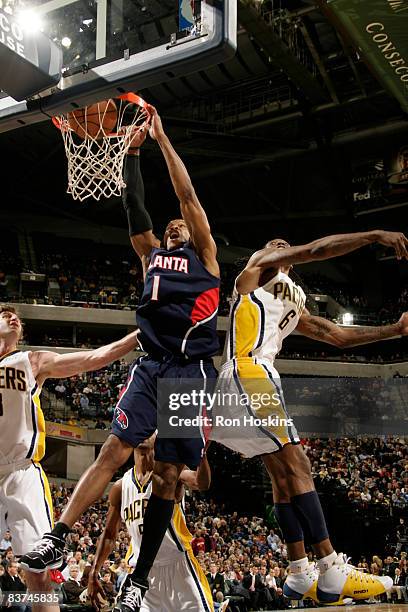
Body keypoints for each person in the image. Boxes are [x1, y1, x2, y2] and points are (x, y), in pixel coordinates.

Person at [21, 106, 220, 612]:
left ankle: (138, 580)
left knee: (171, 477)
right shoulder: (150, 253)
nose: (173, 226)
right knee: (112, 450)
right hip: (152, 366)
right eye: (169, 226)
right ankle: (59, 534)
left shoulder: (207, 258)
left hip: (188, 373)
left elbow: (187, 196)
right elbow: (135, 205)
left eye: (180, 226)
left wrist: (162, 138)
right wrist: (131, 152)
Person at [212, 230, 408, 604]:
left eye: (285, 244)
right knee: (298, 462)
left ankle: (299, 570)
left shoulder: (292, 298)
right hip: (249, 370)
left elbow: (335, 334)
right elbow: (317, 249)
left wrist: (395, 330)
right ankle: (331, 566)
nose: (279, 244)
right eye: (274, 242)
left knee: (282, 477)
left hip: (254, 376)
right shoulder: (256, 269)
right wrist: (373, 236)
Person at [0, 305, 138, 612]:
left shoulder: (30, 361)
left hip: (19, 473)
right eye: (5, 314)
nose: (13, 318)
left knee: (37, 573)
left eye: (17, 318)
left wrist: (139, 334)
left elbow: (95, 358)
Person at [87, 435, 214, 611]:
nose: (145, 433)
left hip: (178, 568)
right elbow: (109, 535)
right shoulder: (120, 486)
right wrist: (94, 572)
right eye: (141, 427)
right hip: (143, 575)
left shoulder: (171, 471)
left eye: (150, 429)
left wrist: (202, 454)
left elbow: (202, 483)